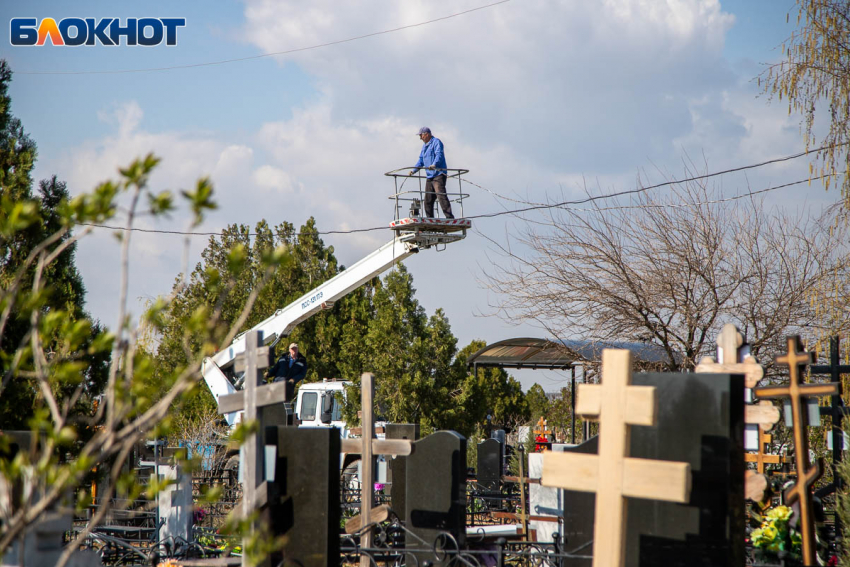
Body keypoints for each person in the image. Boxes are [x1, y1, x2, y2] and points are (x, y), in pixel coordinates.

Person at [409, 127, 454, 219]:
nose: (420, 138)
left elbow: (439, 155)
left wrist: (434, 164)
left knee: (441, 195)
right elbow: (421, 160)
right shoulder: (424, 146)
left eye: (421, 135)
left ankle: (449, 217)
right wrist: (414, 170)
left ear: (427, 134)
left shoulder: (436, 142)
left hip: (438, 174)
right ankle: (430, 218)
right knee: (428, 199)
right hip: (430, 176)